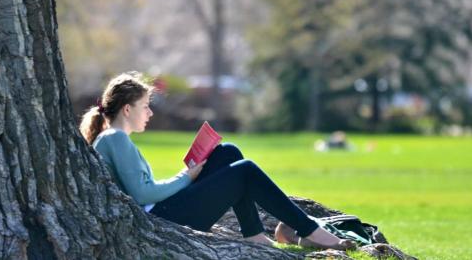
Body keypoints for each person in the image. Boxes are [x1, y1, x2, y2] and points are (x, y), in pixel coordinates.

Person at [79, 72, 353, 250]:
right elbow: (142, 194)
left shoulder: (113, 138)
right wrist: (186, 178)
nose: (150, 113)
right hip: (161, 219)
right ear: (127, 109)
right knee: (244, 171)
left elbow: (143, 189)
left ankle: (254, 234)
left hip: (161, 210)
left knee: (228, 153)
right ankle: (310, 231)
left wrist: (187, 174)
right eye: (145, 106)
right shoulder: (115, 138)